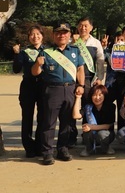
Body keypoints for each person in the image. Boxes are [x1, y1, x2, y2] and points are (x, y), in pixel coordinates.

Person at [31, 22, 85, 165]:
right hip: (52, 90)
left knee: (67, 122)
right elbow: (35, 72)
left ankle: (62, 148)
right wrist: (37, 64)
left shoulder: (75, 50)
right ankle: (47, 152)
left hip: (70, 89)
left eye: (65, 32)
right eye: (58, 33)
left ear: (69, 35)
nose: (62, 35)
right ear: (54, 35)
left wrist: (81, 85)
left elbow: (80, 69)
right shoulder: (46, 52)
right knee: (48, 122)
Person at [12, 24, 45, 157]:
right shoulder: (24, 52)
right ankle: (29, 147)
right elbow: (16, 69)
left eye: (38, 34)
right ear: (28, 37)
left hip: (43, 87)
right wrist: (16, 54)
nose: (35, 37)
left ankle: (39, 145)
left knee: (43, 117)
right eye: (32, 34)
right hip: (28, 86)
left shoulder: (48, 51)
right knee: (27, 117)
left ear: (42, 36)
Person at [80, 84, 116, 157]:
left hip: (105, 133)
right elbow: (76, 116)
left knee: (102, 134)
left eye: (100, 95)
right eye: (94, 95)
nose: (97, 98)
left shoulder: (110, 106)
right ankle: (88, 149)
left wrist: (91, 127)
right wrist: (78, 97)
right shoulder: (87, 107)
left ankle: (106, 148)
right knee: (87, 132)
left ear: (104, 95)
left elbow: (108, 126)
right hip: (90, 135)